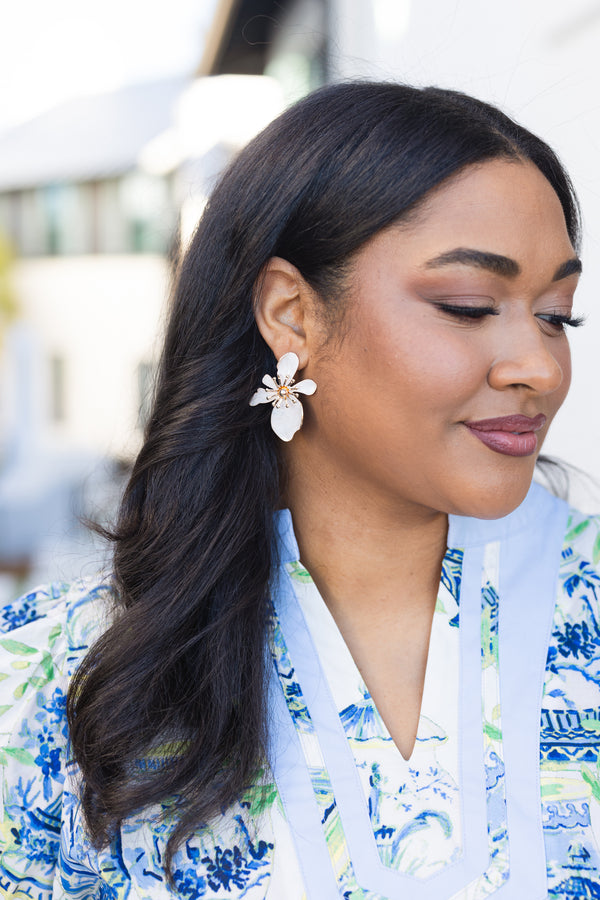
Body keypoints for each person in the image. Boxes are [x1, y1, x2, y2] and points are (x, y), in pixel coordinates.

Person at [0, 81, 597, 900]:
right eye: (468, 306)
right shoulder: (53, 680)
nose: (539, 365)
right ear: (291, 313)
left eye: (557, 315)